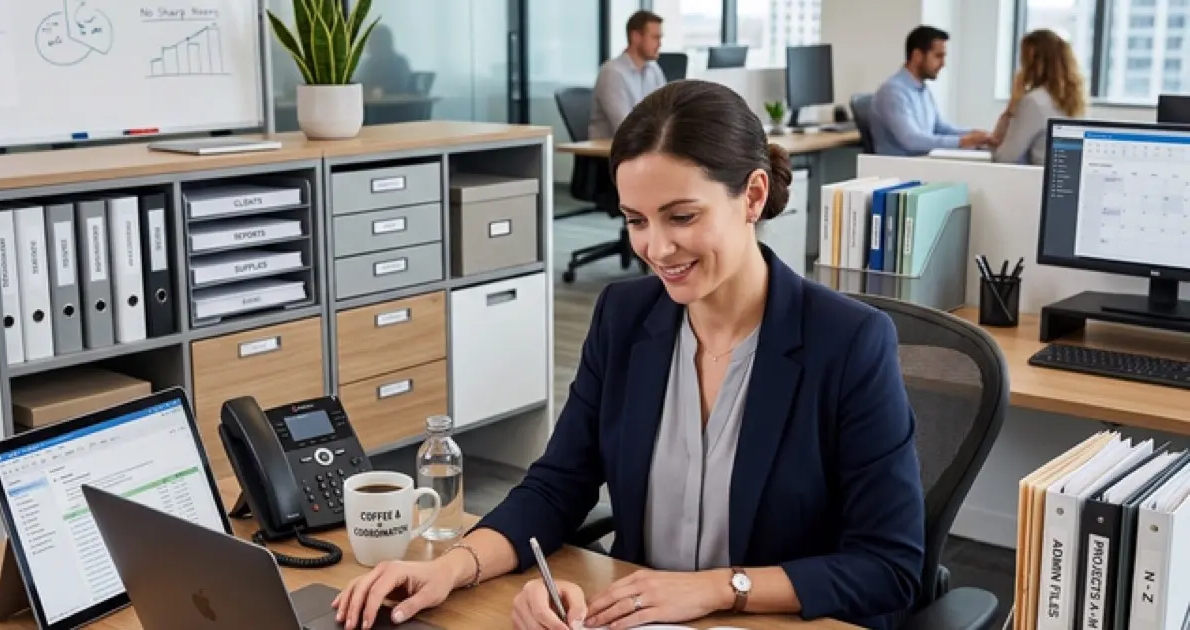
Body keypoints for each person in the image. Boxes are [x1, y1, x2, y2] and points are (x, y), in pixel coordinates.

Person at [330, 79, 926, 630]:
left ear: (753, 195)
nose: (656, 248)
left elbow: (888, 567)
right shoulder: (625, 317)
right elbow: (556, 487)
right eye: (636, 220)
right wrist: (450, 568)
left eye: (682, 216)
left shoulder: (849, 343)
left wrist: (720, 588)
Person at [870, 25, 994, 155]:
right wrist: (962, 141)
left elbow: (939, 127)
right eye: (938, 56)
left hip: (921, 163)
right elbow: (912, 140)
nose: (943, 63)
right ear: (917, 56)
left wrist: (976, 135)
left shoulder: (922, 89)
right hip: (900, 168)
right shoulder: (892, 92)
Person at [990, 29, 1087, 165]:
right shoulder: (1073, 100)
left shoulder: (1034, 101)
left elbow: (1003, 157)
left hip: (1038, 181)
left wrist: (1013, 103)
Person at [588, 10, 667, 139]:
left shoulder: (654, 70)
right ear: (636, 37)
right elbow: (624, 126)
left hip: (644, 148)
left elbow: (666, 113)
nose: (660, 44)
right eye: (655, 37)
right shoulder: (612, 73)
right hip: (613, 153)